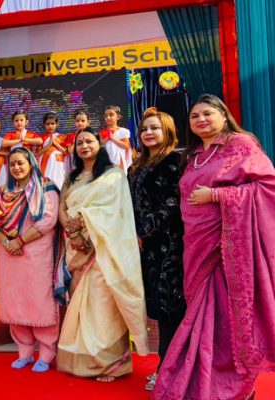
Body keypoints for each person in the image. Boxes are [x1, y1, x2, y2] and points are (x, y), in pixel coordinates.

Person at [152, 94, 275, 400]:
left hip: (227, 249)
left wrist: (218, 196)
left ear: (223, 114)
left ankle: (235, 384)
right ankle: (203, 377)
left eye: (207, 113)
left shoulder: (240, 144)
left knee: (225, 318)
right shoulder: (192, 155)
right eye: (195, 116)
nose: (201, 120)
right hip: (195, 247)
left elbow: (267, 186)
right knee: (202, 317)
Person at [56, 128, 149, 382]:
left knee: (103, 305)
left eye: (89, 141)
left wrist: (85, 227)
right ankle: (84, 360)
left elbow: (115, 213)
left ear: (99, 143)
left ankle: (112, 364)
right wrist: (73, 234)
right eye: (79, 143)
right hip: (77, 249)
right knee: (80, 304)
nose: (84, 146)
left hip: (103, 249)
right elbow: (63, 208)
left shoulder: (114, 175)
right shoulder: (72, 178)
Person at [127, 109, 185, 391]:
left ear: (167, 131)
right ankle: (168, 367)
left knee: (171, 308)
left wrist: (143, 229)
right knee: (160, 311)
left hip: (172, 246)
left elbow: (174, 202)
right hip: (146, 250)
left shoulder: (175, 160)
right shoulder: (136, 166)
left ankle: (169, 370)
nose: (148, 133)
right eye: (144, 129)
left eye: (155, 128)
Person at [0, 147, 60, 372]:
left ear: (31, 164)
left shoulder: (46, 187)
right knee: (14, 301)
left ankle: (47, 352)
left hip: (36, 255)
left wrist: (19, 241)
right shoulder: (3, 191)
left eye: (21, 163)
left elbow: (48, 221)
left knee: (39, 300)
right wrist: (7, 242)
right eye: (12, 164)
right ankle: (25, 352)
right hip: (9, 255)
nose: (16, 168)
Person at [99, 106, 133, 173]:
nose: (108, 117)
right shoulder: (101, 133)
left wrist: (113, 138)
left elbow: (126, 146)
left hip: (119, 163)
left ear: (118, 117)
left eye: (111, 115)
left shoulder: (123, 131)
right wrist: (106, 139)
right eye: (106, 116)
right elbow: (99, 148)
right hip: (106, 162)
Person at [38, 112, 67, 189]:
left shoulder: (62, 137)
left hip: (59, 164)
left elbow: (65, 152)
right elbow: (38, 153)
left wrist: (55, 143)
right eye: (47, 124)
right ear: (44, 125)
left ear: (57, 124)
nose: (50, 126)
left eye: (52, 123)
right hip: (45, 163)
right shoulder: (41, 138)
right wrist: (49, 145)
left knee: (59, 183)